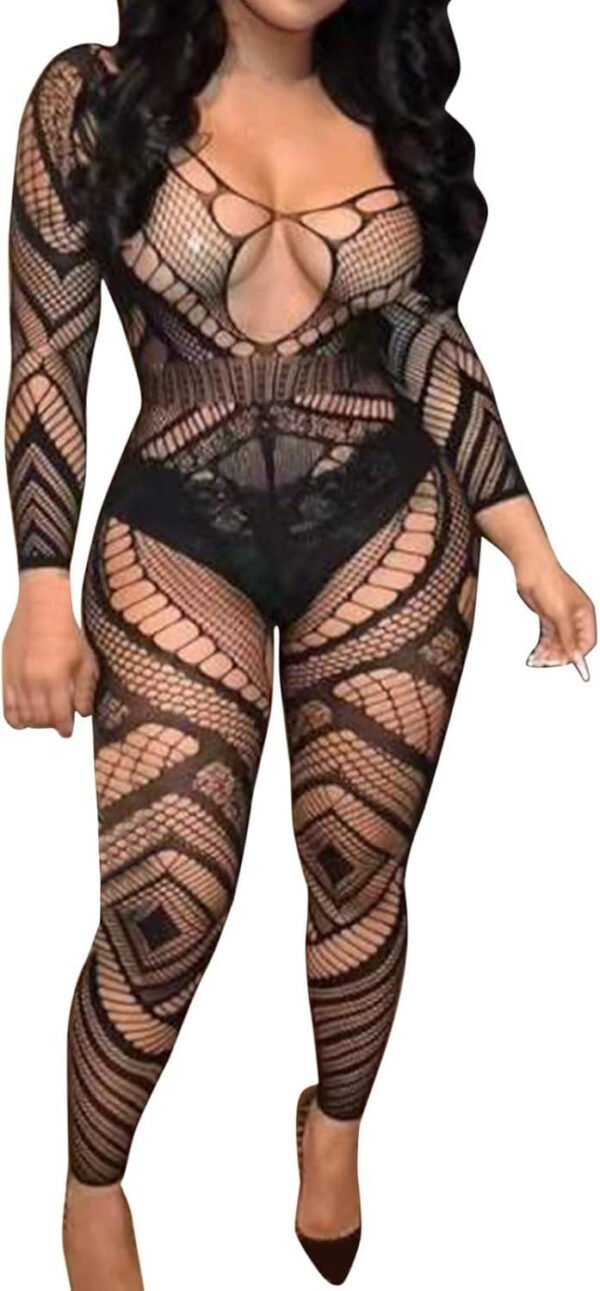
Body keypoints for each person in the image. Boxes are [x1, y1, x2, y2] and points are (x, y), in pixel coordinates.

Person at [2, 1, 596, 1287]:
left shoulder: (393, 117)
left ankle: (335, 1123)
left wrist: (532, 544)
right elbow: (47, 354)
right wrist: (39, 583)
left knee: (357, 868)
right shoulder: (88, 99)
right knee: (159, 911)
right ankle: (92, 1181)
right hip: (176, 531)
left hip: (389, 521)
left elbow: (429, 342)